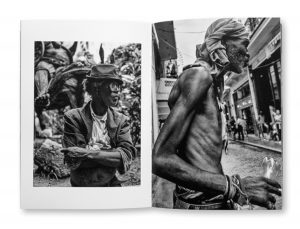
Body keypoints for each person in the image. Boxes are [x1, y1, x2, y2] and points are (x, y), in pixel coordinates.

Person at [152, 19, 281, 210]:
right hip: (201, 206)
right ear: (222, 42)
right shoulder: (198, 76)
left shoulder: (210, 82)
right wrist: (235, 187)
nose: (248, 52)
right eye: (244, 44)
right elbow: (160, 158)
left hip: (209, 201)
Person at [61, 64, 136, 187]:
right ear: (96, 89)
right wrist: (111, 153)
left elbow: (126, 157)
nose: (117, 91)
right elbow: (73, 159)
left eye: (118, 86)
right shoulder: (73, 117)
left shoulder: (121, 121)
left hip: (111, 184)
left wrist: (87, 153)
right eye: (112, 85)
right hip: (81, 186)